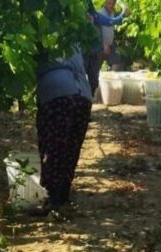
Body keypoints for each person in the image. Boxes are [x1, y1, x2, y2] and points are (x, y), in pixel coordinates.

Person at [34, 47, 94, 211]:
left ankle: (52, 198)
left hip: (57, 93)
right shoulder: (73, 39)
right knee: (71, 147)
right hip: (83, 95)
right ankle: (62, 194)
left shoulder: (42, 36)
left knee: (52, 146)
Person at [85, 0, 129, 98]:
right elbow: (102, 28)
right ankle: (91, 96)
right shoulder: (94, 14)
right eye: (109, 3)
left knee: (93, 77)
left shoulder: (97, 16)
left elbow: (111, 22)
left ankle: (97, 94)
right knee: (88, 74)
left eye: (113, 3)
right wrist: (103, 44)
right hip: (91, 50)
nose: (111, 5)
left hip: (96, 50)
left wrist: (123, 14)